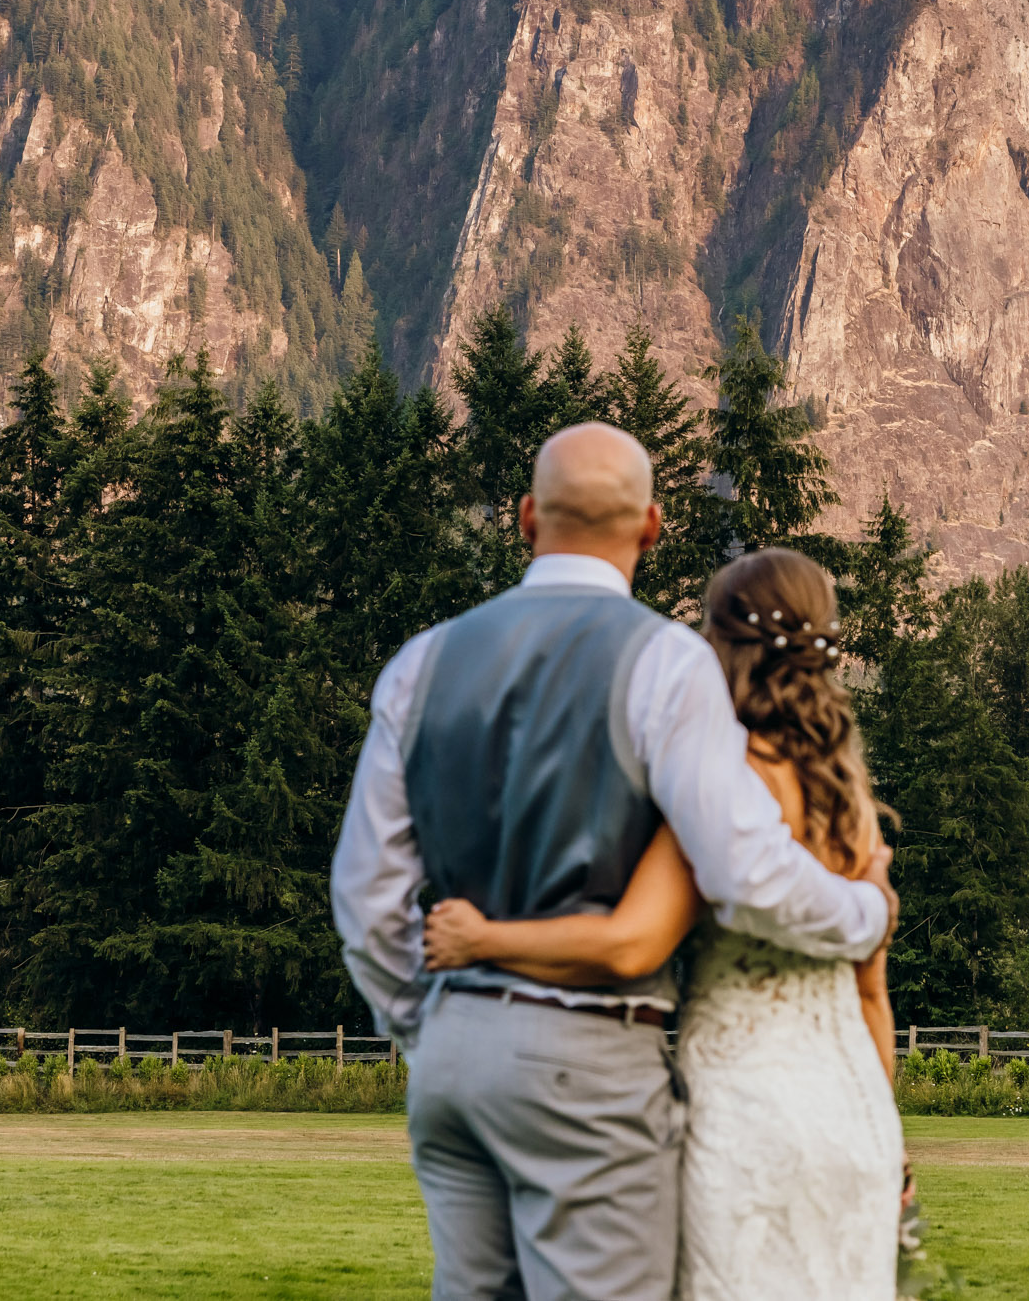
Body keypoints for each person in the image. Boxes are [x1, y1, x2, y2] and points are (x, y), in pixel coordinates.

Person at [331, 422, 895, 1301]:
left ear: (525, 519)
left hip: (450, 1059)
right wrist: (866, 911)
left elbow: (365, 892)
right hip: (585, 1063)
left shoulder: (421, 664)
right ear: (652, 527)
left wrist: (428, 1020)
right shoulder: (666, 664)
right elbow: (745, 875)